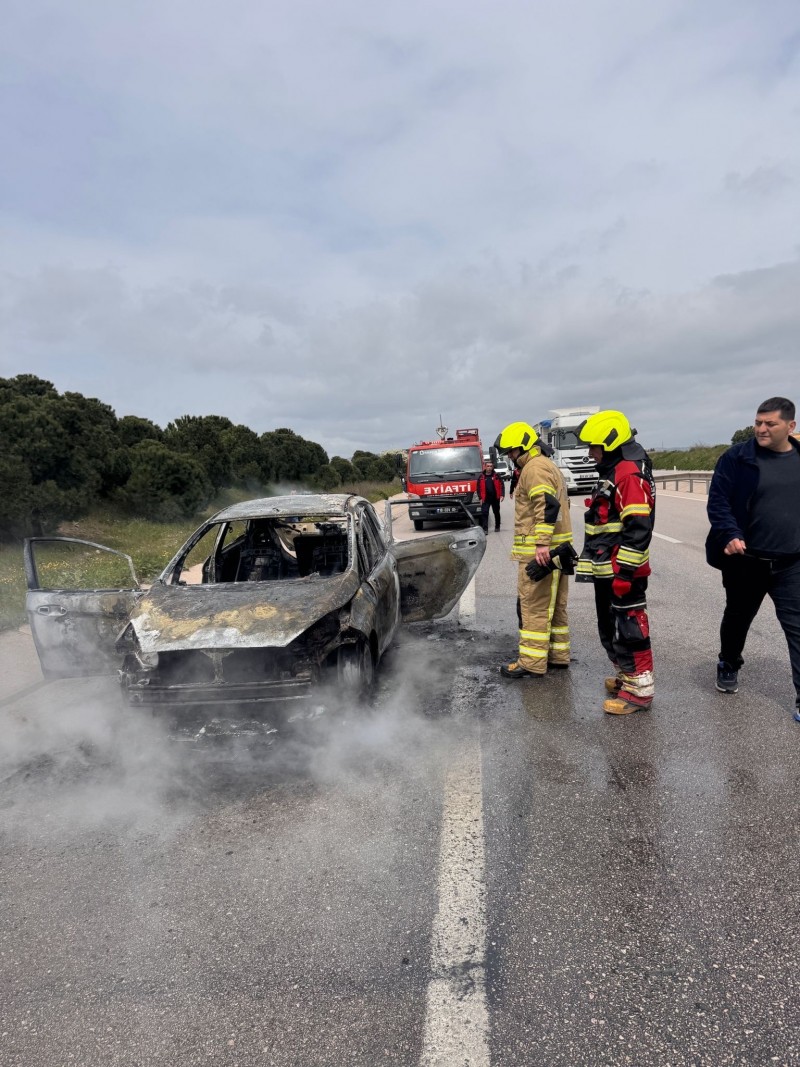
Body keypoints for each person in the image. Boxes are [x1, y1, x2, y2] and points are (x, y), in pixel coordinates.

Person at [706, 397, 800, 720]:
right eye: (758, 422)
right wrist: (729, 533)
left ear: (790, 426)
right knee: (737, 618)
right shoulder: (737, 458)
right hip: (746, 560)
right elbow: (718, 501)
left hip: (791, 562)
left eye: (770, 423)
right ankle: (728, 663)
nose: (761, 428)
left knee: (797, 628)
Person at [576, 410, 656, 715]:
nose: (590, 453)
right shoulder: (616, 470)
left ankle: (638, 693)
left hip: (622, 571)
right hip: (609, 568)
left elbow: (638, 529)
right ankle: (627, 677)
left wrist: (624, 574)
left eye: (593, 447)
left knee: (630, 629)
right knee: (611, 628)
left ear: (609, 444)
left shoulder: (628, 474)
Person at [494, 422, 573, 677]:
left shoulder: (534, 468)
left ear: (523, 447)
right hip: (557, 550)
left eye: (511, 451)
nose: (510, 457)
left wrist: (541, 544)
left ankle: (532, 662)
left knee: (533, 607)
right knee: (555, 606)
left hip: (541, 553)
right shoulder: (546, 465)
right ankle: (558, 655)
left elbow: (545, 505)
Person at [476, 459, 505, 532]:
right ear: (485, 467)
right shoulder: (481, 477)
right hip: (485, 498)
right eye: (488, 466)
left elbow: (502, 485)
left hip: (495, 498)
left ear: (492, 467)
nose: (489, 468)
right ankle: (485, 529)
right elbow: (478, 488)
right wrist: (480, 498)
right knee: (484, 513)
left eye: (491, 466)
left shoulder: (496, 475)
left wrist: (502, 494)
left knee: (496, 512)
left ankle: (497, 526)